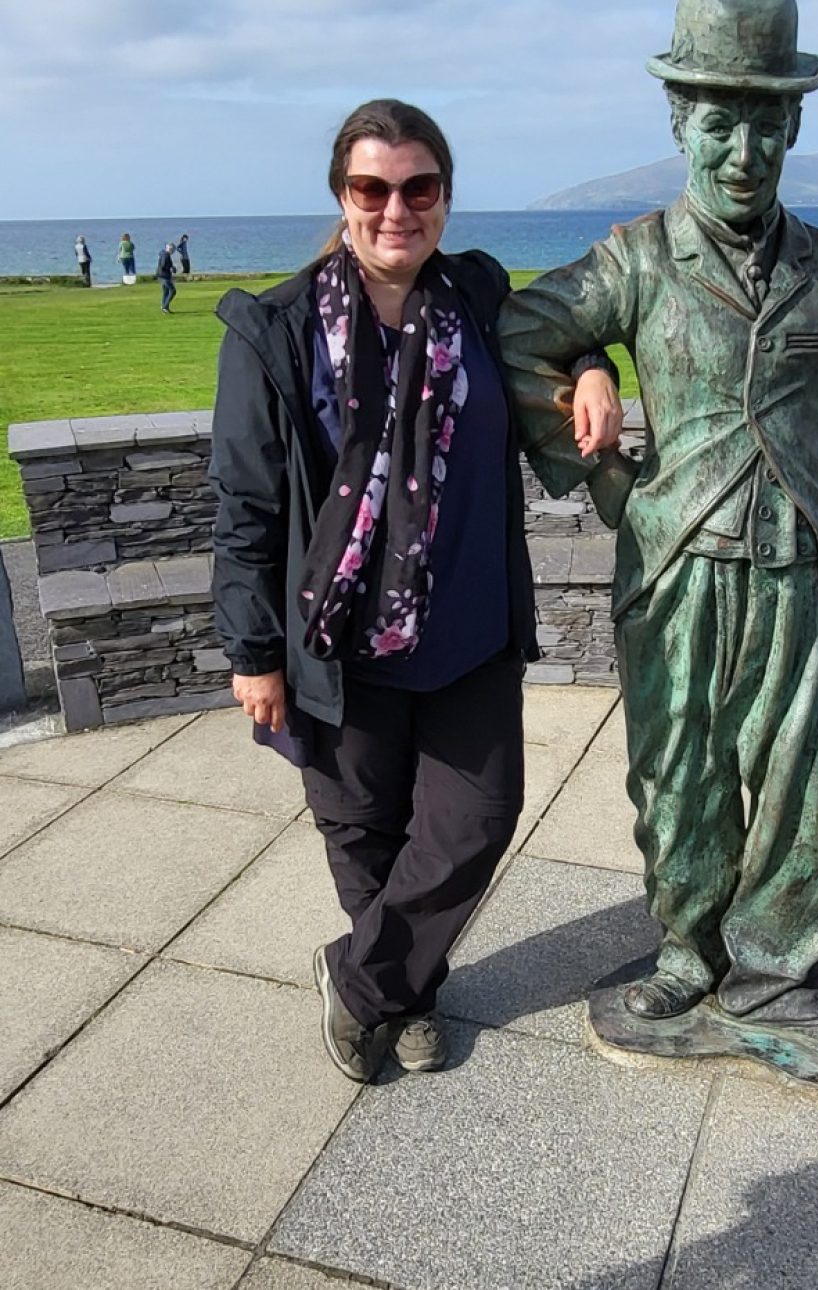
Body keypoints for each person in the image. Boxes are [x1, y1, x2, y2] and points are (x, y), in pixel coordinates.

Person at [209, 99, 622, 1084]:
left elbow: (565, 334)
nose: (397, 207)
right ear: (342, 198)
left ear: (444, 196)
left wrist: (597, 365)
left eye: (419, 187)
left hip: (468, 633)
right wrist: (252, 653)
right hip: (337, 647)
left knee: (474, 824)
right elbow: (247, 508)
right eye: (372, 188)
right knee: (364, 834)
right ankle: (411, 995)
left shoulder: (477, 294)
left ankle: (358, 984)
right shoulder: (278, 330)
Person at [499, 0, 818, 1056]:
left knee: (815, 787)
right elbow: (517, 337)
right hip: (675, 567)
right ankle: (686, 951)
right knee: (678, 779)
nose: (742, 150)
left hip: (795, 565)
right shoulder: (634, 259)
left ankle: (782, 967)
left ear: (794, 129)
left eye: (764, 124)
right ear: (679, 122)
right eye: (718, 122)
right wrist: (597, 419)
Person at [156, 243, 177, 312]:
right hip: (164, 276)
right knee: (173, 291)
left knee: (166, 292)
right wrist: (171, 268)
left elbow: (164, 265)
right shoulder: (166, 255)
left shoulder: (163, 253)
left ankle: (165, 307)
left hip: (161, 275)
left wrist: (171, 267)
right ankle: (164, 307)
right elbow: (163, 265)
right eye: (172, 250)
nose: (173, 251)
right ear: (170, 249)